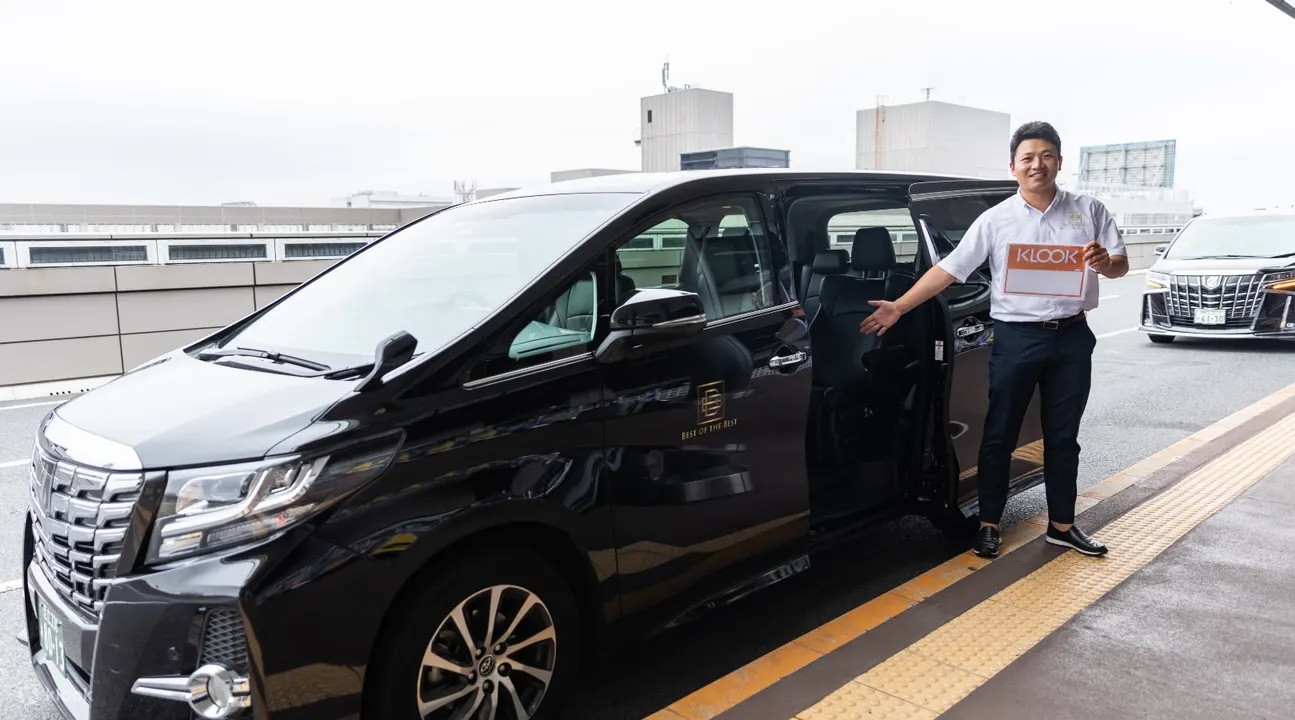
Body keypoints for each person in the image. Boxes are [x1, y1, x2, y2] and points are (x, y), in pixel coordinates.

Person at [861, 120, 1128, 559]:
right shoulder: (996, 219)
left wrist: (1105, 262)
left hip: (1071, 339)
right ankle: (987, 523)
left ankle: (1062, 525)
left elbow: (1120, 265)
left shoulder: (1090, 210)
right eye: (1027, 158)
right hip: (1016, 338)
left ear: (1059, 162)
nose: (1036, 164)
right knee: (999, 434)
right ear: (1013, 166)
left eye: (1045, 156)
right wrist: (900, 306)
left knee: (1064, 437)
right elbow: (950, 269)